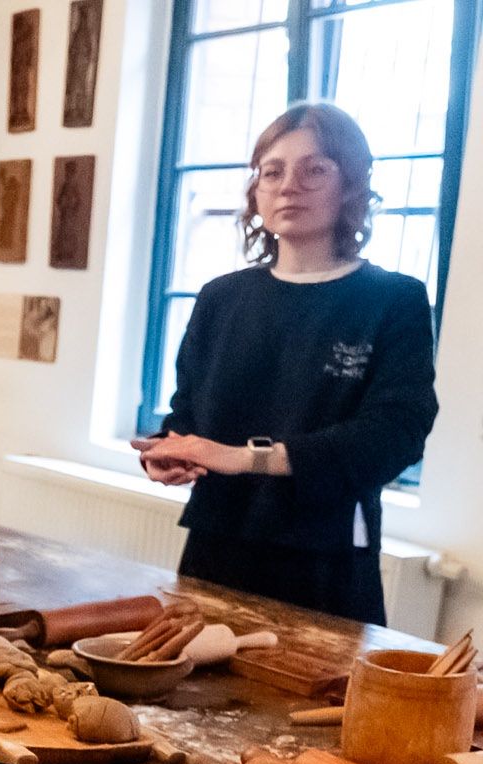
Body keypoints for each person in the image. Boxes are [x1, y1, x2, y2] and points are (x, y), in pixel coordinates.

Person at [133, 102, 437, 625]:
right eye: (272, 171)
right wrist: (169, 450)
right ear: (256, 191)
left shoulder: (394, 299)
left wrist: (243, 458)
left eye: (314, 169)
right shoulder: (220, 298)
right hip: (216, 545)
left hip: (327, 557)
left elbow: (394, 436)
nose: (288, 185)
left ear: (350, 187)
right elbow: (188, 415)